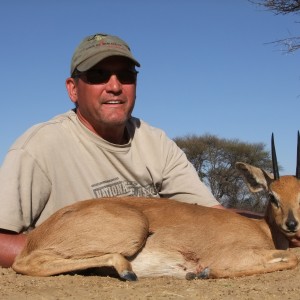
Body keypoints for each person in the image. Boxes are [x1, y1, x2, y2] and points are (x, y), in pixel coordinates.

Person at [0, 33, 223, 268]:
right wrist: (81, 260)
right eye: (98, 75)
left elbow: (217, 217)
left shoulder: (156, 142)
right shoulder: (39, 146)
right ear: (73, 89)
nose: (115, 87)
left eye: (126, 76)